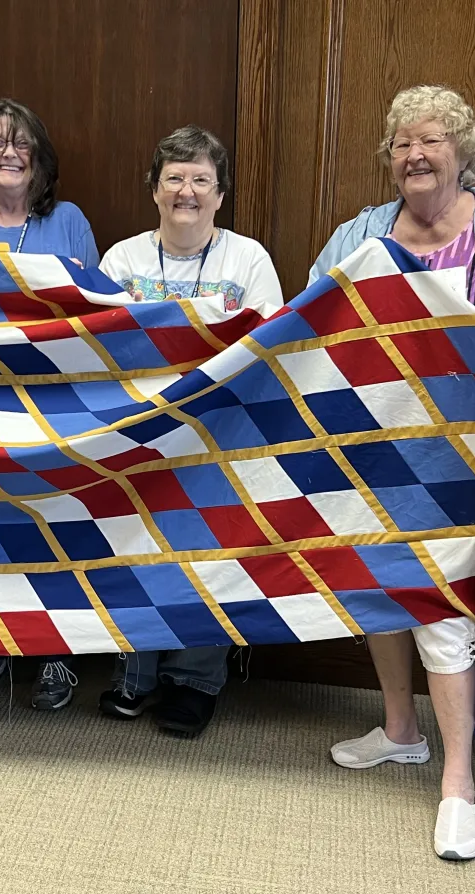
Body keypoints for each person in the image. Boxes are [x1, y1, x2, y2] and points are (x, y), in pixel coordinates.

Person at [309, 84, 475, 861]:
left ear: (462, 151)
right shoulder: (362, 231)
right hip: (374, 450)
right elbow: (308, 316)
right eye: (402, 145)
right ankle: (401, 729)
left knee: (441, 608)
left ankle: (458, 785)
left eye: (431, 140)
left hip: (464, 460)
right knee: (376, 585)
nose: (415, 155)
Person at [98, 125, 283, 738]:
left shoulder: (247, 258)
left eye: (201, 179)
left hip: (217, 434)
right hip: (137, 430)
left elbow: (266, 347)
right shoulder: (121, 259)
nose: (187, 191)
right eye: (175, 177)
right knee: (134, 547)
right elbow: (98, 347)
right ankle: (137, 672)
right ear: (154, 189)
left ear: (220, 194)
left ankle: (195, 681)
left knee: (206, 555)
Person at [0, 98, 99, 710]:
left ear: (40, 157)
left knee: (51, 524)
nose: (9, 154)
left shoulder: (70, 221)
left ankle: (55, 654)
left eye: (21, 143)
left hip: (52, 399)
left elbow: (95, 309)